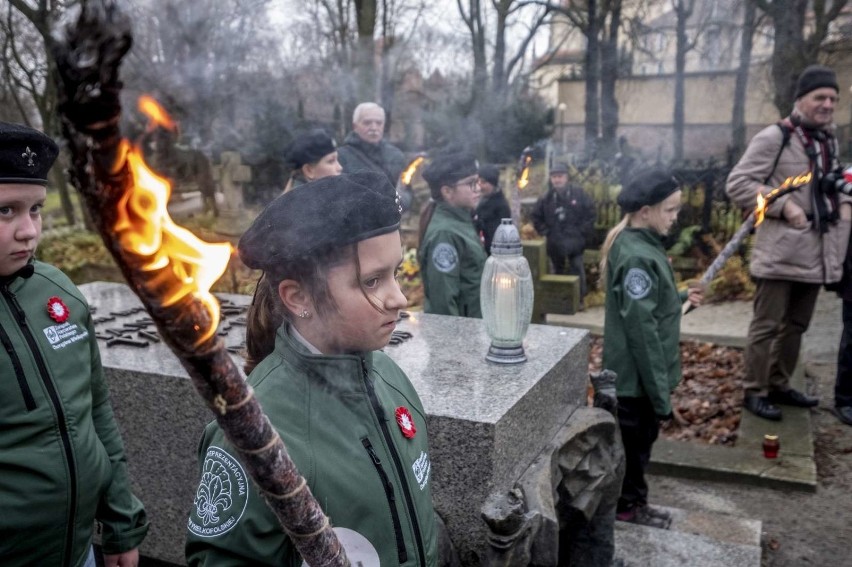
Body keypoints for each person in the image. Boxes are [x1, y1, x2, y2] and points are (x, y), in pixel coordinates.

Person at [185, 172, 437, 566]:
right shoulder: (257, 433)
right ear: (299, 296)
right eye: (371, 281)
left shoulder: (391, 377)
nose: (399, 298)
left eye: (396, 273)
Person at [0, 122, 149, 566]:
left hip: (80, 550)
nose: (29, 231)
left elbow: (95, 412)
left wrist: (122, 522)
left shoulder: (57, 292)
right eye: (6, 211)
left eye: (36, 210)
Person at [726, 64, 851, 421]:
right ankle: (755, 391)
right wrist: (783, 206)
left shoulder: (828, 138)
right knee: (766, 325)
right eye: (820, 97)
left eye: (833, 98)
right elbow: (738, 184)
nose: (827, 104)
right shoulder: (775, 137)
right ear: (801, 100)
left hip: (816, 251)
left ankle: (779, 385)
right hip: (781, 250)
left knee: (796, 326)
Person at [600, 167, 703, 529]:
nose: (675, 218)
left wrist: (679, 297)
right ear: (645, 211)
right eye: (670, 210)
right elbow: (642, 333)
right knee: (634, 449)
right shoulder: (637, 258)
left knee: (637, 447)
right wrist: (661, 397)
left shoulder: (638, 245)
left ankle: (633, 502)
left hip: (637, 380)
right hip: (635, 382)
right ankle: (628, 508)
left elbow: (648, 306)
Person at [417, 151, 486, 317]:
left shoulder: (461, 220)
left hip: (474, 326)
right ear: (447, 191)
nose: (478, 188)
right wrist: (455, 342)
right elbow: (443, 302)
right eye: (471, 183)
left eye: (478, 181)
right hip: (462, 335)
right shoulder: (445, 234)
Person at [531, 161, 596, 306]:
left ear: (566, 177)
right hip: (555, 242)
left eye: (560, 176)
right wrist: (546, 232)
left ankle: (579, 301)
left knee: (577, 270)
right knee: (557, 272)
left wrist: (582, 232)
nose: (557, 180)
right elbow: (536, 217)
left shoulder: (579, 194)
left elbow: (590, 214)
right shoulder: (546, 198)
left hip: (575, 241)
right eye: (554, 177)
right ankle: (560, 303)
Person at [337, 102, 406, 185]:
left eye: (379, 123)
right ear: (355, 126)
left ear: (384, 125)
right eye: (367, 123)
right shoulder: (340, 157)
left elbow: (405, 190)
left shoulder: (396, 156)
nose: (374, 128)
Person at [282, 128, 342, 193]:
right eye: (331, 161)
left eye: (337, 160)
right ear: (309, 170)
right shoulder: (305, 201)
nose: (340, 167)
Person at [473, 163, 511, 254]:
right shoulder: (480, 200)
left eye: (483, 182)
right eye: (478, 182)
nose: (479, 186)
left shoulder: (501, 207)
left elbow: (498, 239)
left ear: (493, 184)